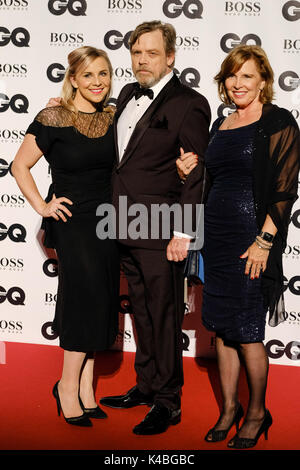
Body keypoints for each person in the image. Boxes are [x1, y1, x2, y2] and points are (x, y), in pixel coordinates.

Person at [177, 45, 300, 449]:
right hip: (215, 235)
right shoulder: (221, 124)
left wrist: (264, 240)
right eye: (232, 76)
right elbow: (211, 179)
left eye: (247, 75)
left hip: (252, 238)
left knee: (247, 330)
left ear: (264, 80)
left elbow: (285, 189)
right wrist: (187, 171)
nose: (237, 83)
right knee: (222, 331)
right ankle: (228, 409)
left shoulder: (277, 121)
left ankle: (256, 412)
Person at [98, 20, 211, 435]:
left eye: (150, 52)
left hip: (162, 230)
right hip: (121, 222)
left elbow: (196, 172)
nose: (141, 60)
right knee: (142, 313)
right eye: (136, 52)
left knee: (164, 316)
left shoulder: (190, 103)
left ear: (170, 56)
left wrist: (183, 232)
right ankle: (145, 386)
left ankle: (168, 402)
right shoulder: (127, 93)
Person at [12, 46, 120, 427]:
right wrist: (42, 206)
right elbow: (18, 165)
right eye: (88, 74)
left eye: (103, 74)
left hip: (108, 221)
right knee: (84, 301)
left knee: (101, 300)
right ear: (73, 78)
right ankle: (66, 386)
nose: (97, 82)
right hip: (72, 222)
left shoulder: (113, 116)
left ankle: (87, 389)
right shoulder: (52, 116)